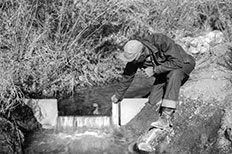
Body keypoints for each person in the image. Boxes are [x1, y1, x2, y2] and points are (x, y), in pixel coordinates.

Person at [111, 33, 195, 129]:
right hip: (165, 71)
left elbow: (177, 62)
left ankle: (166, 117)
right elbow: (127, 76)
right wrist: (118, 95)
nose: (133, 62)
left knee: (174, 74)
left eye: (134, 60)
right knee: (153, 99)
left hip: (183, 63)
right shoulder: (135, 56)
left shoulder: (160, 40)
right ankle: (144, 125)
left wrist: (154, 70)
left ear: (142, 54)